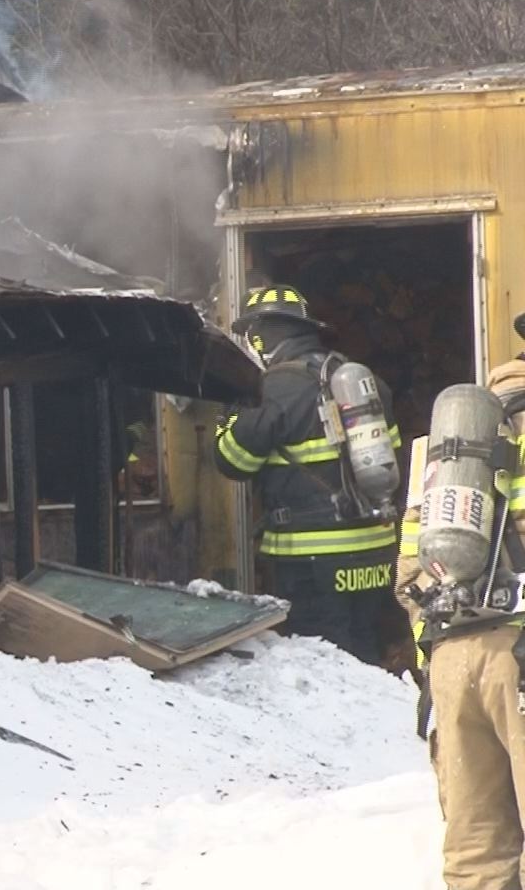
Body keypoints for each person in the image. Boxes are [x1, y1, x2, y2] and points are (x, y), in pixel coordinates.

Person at [213, 285, 401, 662]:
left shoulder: (269, 390)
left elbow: (233, 462)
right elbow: (392, 454)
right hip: (375, 553)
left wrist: (228, 419)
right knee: (366, 646)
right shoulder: (363, 383)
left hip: (313, 557)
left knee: (325, 659)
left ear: (260, 337)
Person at [399, 361, 525, 890]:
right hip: (519, 655)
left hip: (452, 661)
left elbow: (409, 575)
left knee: (476, 853)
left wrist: (434, 669)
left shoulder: (442, 449)